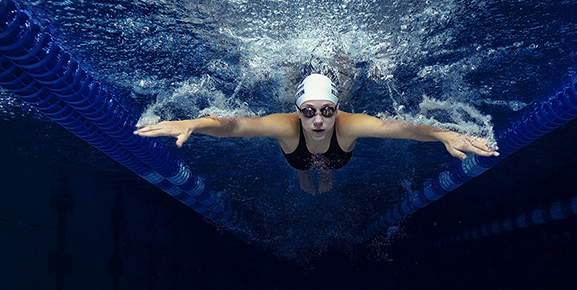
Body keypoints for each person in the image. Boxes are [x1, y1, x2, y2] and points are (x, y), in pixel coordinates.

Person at [134, 74, 498, 195]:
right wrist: (194, 123)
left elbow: (401, 128)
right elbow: (235, 125)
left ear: (337, 110)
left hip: (338, 157)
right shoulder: (286, 126)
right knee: (304, 170)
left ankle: (321, 169)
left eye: (328, 110)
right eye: (308, 111)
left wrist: (443, 135)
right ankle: (308, 169)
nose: (319, 119)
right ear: (297, 111)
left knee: (328, 171)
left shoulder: (349, 124)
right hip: (297, 155)